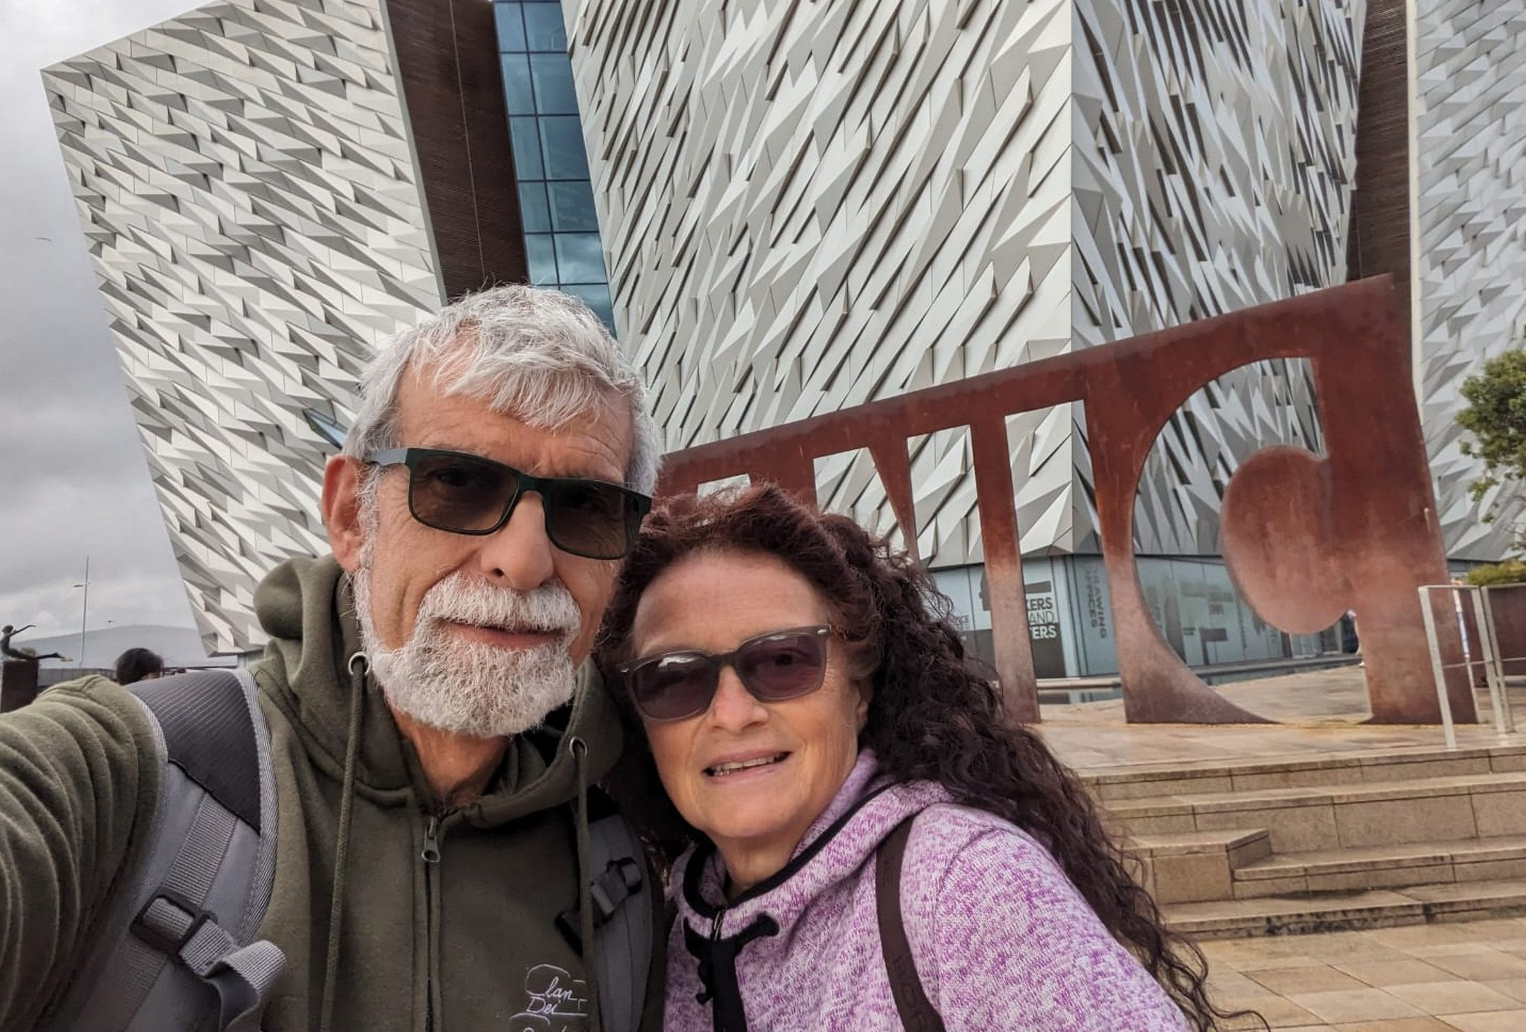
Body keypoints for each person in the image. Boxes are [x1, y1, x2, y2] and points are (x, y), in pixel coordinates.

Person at [0, 285, 665, 1032]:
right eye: (458, 482)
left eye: (585, 505)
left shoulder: (624, 867)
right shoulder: (131, 776)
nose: (525, 560)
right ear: (352, 515)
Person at [598, 485, 1249, 1032]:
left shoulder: (966, 888)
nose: (733, 711)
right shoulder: (658, 927)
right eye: (674, 677)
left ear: (859, 689)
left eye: (783, 660)